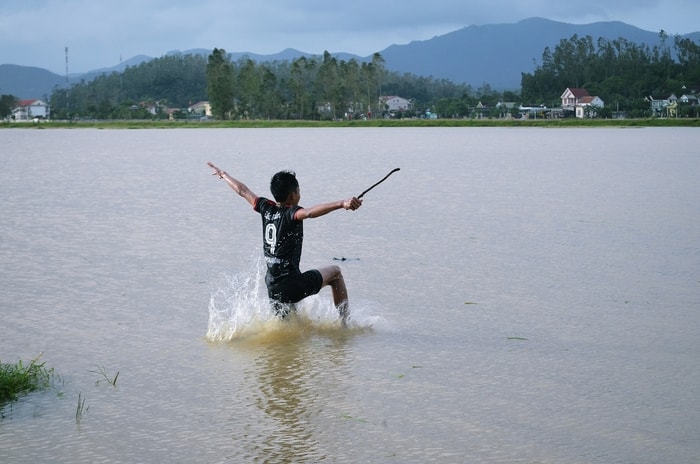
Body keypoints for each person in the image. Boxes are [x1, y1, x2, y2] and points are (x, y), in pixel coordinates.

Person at [207, 162, 362, 324]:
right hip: (293, 285)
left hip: (273, 287)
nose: (300, 194)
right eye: (299, 190)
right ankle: (345, 324)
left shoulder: (265, 207)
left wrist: (224, 175)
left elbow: (243, 190)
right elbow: (309, 213)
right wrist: (341, 203)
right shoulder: (292, 213)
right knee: (335, 273)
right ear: (292, 196)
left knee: (289, 330)